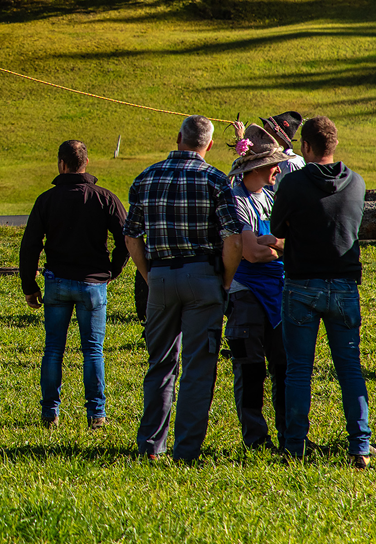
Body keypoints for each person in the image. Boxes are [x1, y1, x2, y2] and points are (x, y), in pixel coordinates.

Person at [125, 114, 242, 462]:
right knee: (197, 367)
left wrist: (149, 276)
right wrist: (224, 280)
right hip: (203, 275)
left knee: (159, 363)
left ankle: (150, 445)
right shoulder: (215, 180)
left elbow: (132, 237)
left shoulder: (146, 177)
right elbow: (233, 240)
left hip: (160, 276)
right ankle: (186, 450)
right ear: (207, 145)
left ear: (178, 138)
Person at [271, 115, 371, 467]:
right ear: (335, 144)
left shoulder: (293, 184)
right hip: (344, 284)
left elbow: (276, 225)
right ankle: (360, 445)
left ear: (307, 147)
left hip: (301, 285)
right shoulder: (356, 183)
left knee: (299, 369)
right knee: (350, 369)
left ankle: (295, 444)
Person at [18, 140, 128, 429]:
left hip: (57, 283)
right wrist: (112, 270)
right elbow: (126, 239)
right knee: (93, 350)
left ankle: (50, 412)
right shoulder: (105, 198)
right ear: (86, 163)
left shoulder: (46, 200)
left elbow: (30, 245)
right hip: (93, 285)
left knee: (53, 350)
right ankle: (97, 414)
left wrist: (29, 285)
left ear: (61, 164)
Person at [221, 132, 293, 449]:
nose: (277, 170)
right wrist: (277, 246)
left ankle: (288, 433)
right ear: (256, 168)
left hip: (278, 292)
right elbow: (250, 252)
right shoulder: (236, 200)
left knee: (283, 368)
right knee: (250, 370)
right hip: (245, 294)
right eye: (273, 165)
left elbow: (287, 242)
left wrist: (273, 244)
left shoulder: (271, 197)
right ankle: (255, 439)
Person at [260, 111, 306, 179]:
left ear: (280, 136)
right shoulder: (276, 159)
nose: (264, 134)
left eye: (268, 130)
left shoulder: (289, 163)